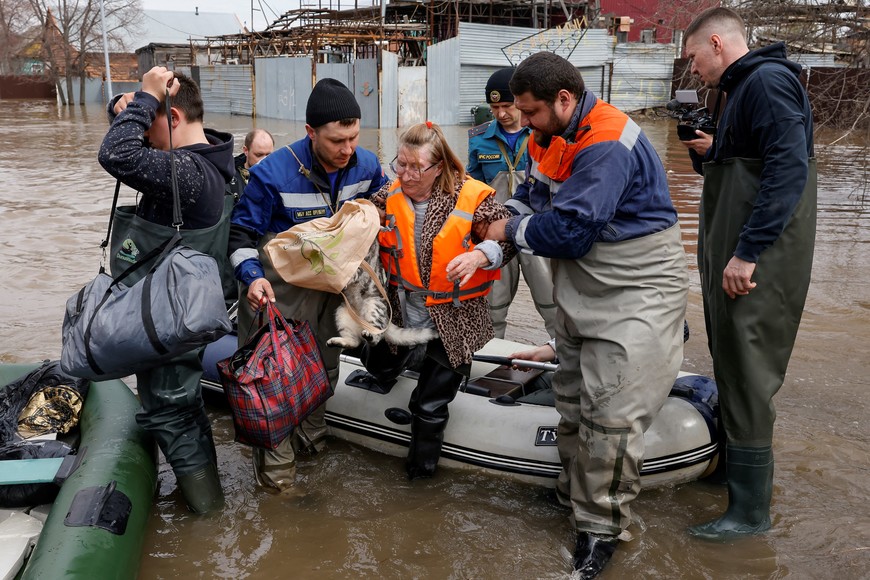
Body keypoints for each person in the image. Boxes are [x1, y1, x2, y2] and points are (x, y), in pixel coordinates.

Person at [482, 52, 688, 577]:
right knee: (572, 404)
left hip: (637, 288)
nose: (522, 122)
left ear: (565, 100)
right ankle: (572, 499)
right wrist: (501, 219)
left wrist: (506, 234)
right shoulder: (544, 136)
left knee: (610, 418)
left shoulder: (606, 144)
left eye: (529, 112)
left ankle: (601, 532)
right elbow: (530, 198)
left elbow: (572, 233)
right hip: (585, 289)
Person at [680, 7, 816, 541]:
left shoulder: (767, 82)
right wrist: (711, 152)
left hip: (758, 258)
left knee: (750, 366)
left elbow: (789, 169)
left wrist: (748, 253)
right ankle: (737, 476)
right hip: (735, 250)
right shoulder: (741, 89)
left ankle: (751, 515)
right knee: (731, 358)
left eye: (694, 58)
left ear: (717, 43)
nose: (693, 70)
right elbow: (750, 164)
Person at [228, 78, 389, 494]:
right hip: (278, 288)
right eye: (337, 140)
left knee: (326, 366)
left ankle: (313, 446)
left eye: (353, 138)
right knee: (271, 381)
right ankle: (280, 483)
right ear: (310, 133)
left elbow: (385, 204)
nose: (347, 149)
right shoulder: (271, 173)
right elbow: (239, 236)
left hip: (332, 288)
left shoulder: (366, 165)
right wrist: (253, 277)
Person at [98, 66, 234, 514]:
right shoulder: (208, 157)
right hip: (172, 316)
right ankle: (208, 502)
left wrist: (142, 101)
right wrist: (133, 102)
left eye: (151, 122)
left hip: (169, 322)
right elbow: (124, 127)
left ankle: (210, 515)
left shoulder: (188, 173)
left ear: (173, 117)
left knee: (172, 413)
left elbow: (115, 152)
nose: (145, 137)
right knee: (184, 409)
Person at [360, 121, 516, 480]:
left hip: (453, 318)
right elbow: (362, 218)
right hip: (403, 310)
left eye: (417, 167)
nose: (407, 174)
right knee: (380, 365)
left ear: (440, 166)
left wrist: (481, 255)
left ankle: (420, 476)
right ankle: (397, 363)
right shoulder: (389, 193)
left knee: (429, 405)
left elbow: (508, 235)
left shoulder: (473, 197)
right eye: (401, 163)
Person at [467, 67, 556, 340]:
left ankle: (565, 359)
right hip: (496, 234)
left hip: (536, 230)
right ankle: (489, 361)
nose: (501, 113)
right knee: (492, 306)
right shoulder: (479, 138)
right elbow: (472, 188)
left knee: (553, 303)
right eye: (494, 107)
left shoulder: (544, 134)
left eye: (507, 105)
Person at [227, 128, 275, 200]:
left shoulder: (280, 177)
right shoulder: (228, 178)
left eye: (268, 155)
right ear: (246, 151)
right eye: (259, 155)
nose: (264, 161)